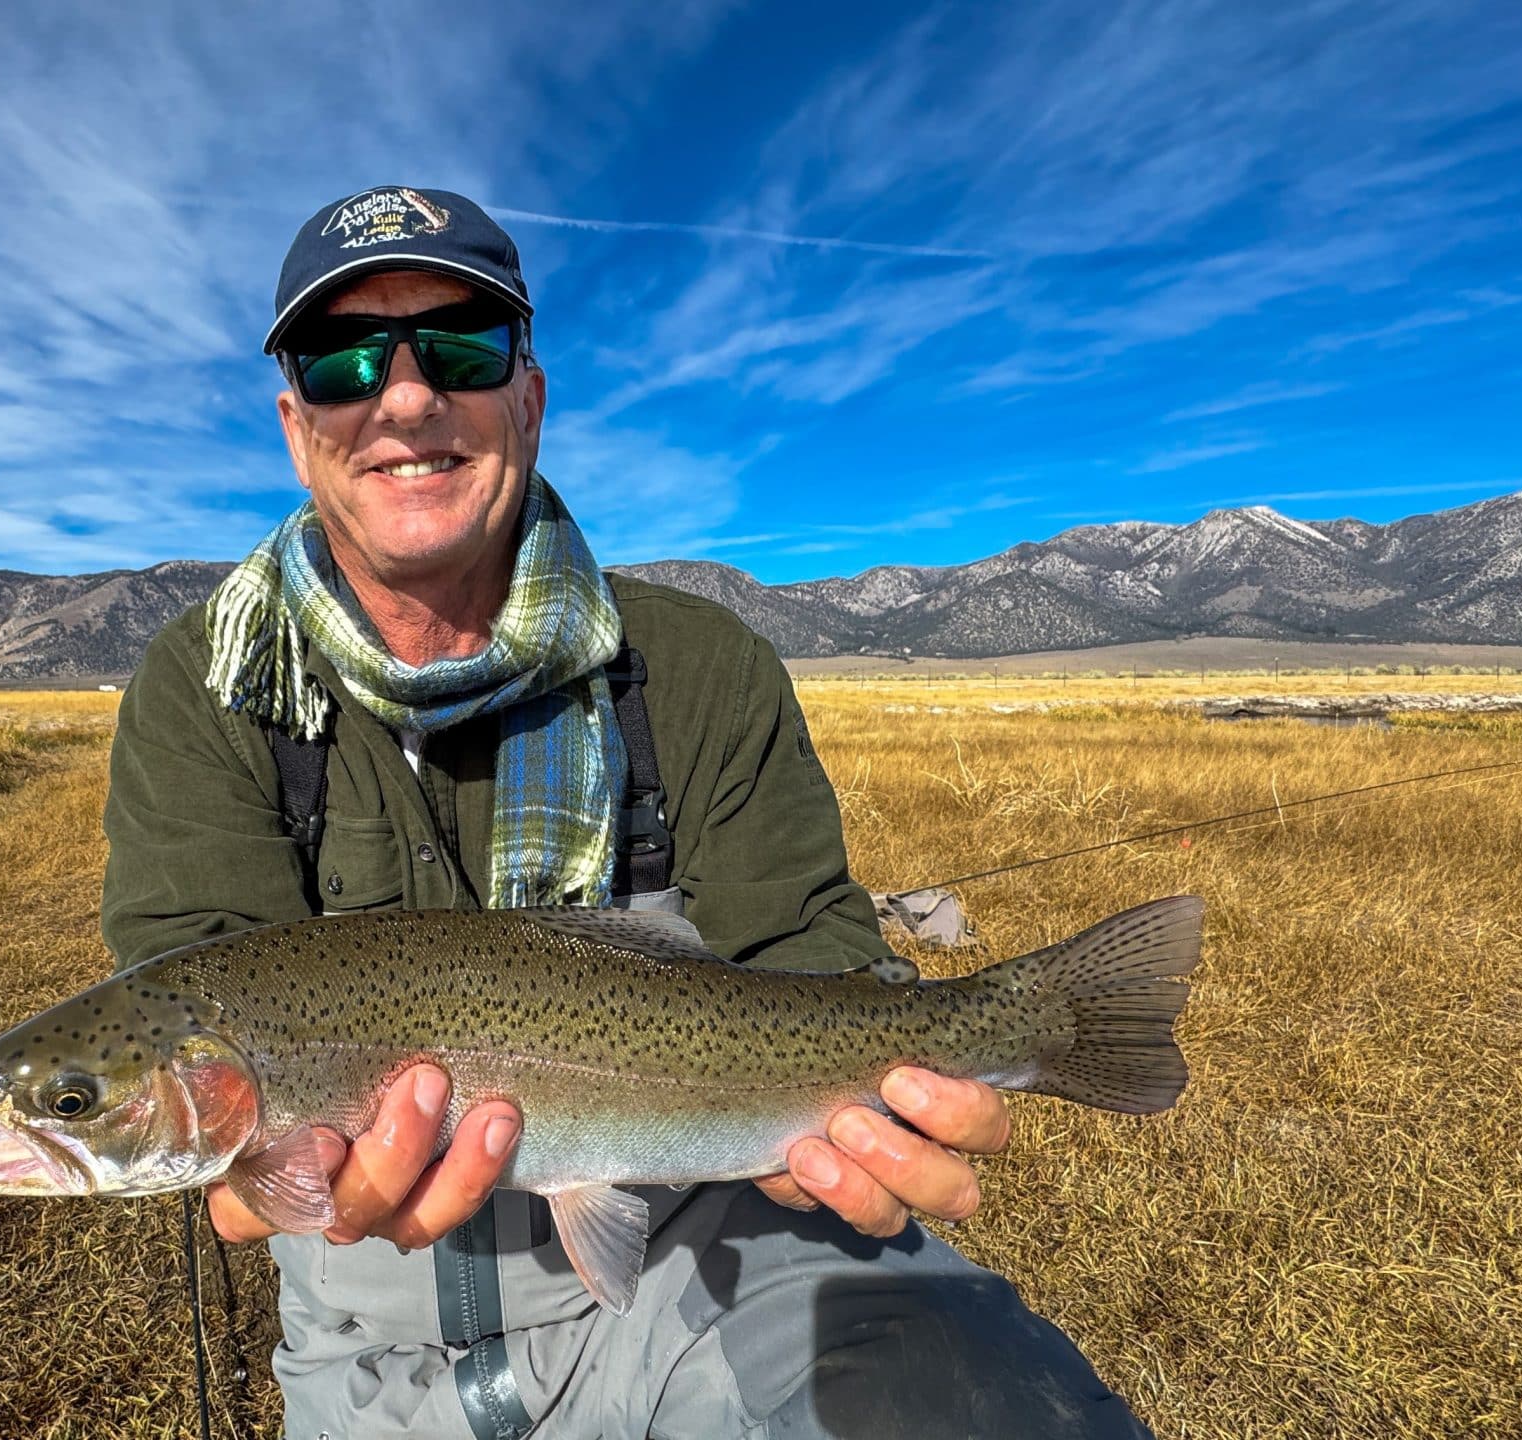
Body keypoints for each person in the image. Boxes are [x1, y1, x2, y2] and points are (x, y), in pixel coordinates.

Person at [100, 185, 1147, 1439]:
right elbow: (210, 1118)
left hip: (716, 1260)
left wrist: (883, 1094)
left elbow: (811, 961)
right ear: (293, 422)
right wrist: (246, 1186)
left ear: (528, 395)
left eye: (462, 347)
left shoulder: (698, 665)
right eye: (341, 360)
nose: (406, 395)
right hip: (365, 1336)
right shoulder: (204, 688)